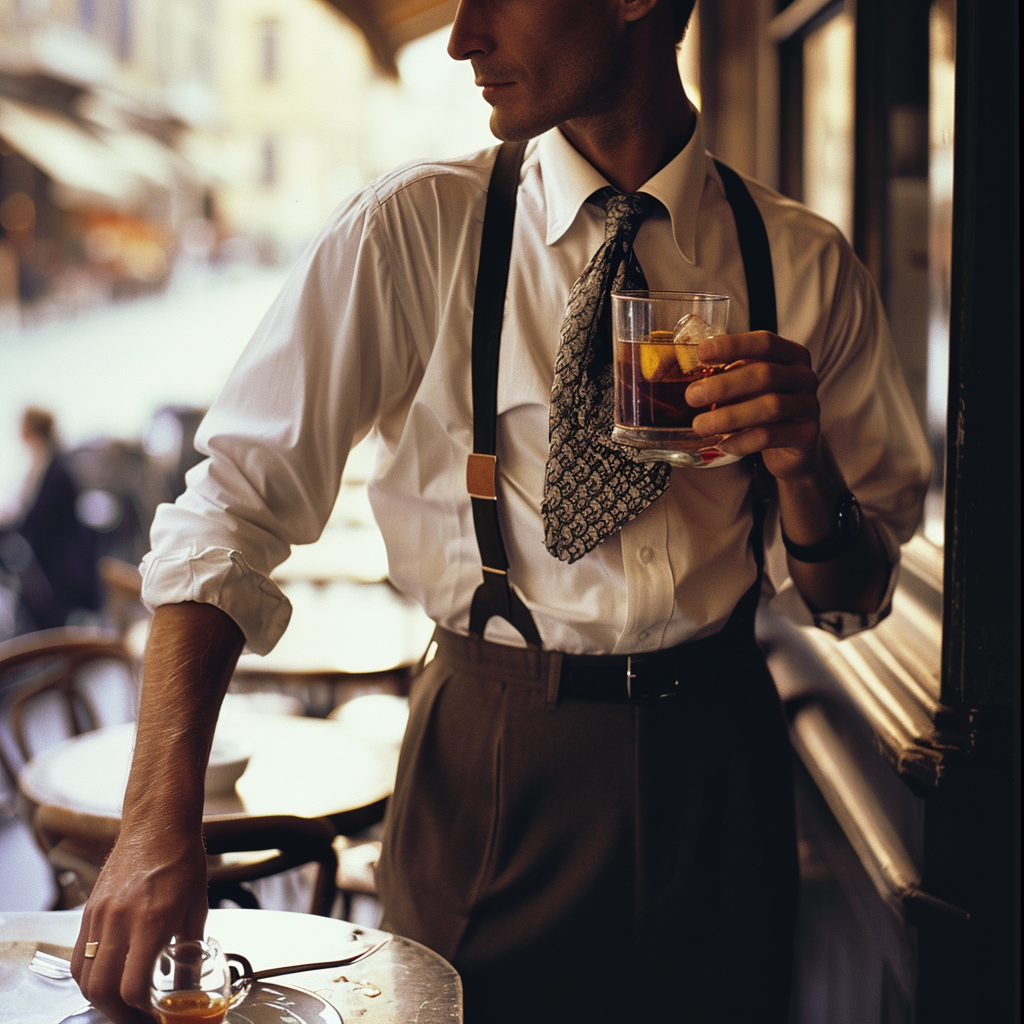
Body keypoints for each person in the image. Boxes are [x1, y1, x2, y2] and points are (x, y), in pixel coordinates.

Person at [71, 0, 931, 1021]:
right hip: (492, 761)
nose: (461, 37)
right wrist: (155, 821)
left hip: (721, 771)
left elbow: (852, 599)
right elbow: (228, 509)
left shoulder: (801, 264)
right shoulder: (412, 232)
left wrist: (803, 471)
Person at [0, 408, 101, 631]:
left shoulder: (55, 467)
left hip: (58, 565)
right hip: (50, 562)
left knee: (55, 626)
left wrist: (11, 521)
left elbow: (40, 517)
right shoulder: (42, 463)